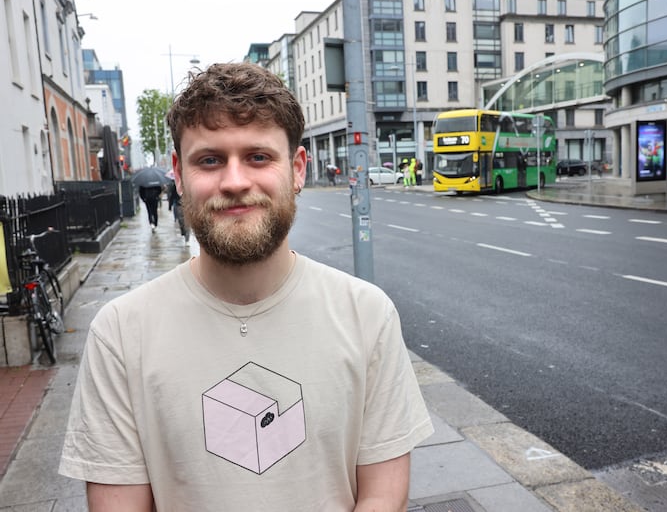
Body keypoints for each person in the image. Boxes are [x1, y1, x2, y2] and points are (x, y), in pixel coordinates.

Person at [59, 63, 433, 511]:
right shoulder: (120, 333)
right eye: (210, 160)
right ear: (178, 173)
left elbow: (382, 495)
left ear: (296, 169)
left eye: (258, 157)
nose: (235, 182)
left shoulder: (366, 314)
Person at [167, 179, 190, 245]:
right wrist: (170, 206)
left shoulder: (189, 183)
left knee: (188, 222)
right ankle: (183, 231)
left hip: (187, 205)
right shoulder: (176, 185)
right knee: (181, 221)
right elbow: (172, 196)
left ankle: (187, 239)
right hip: (178, 204)